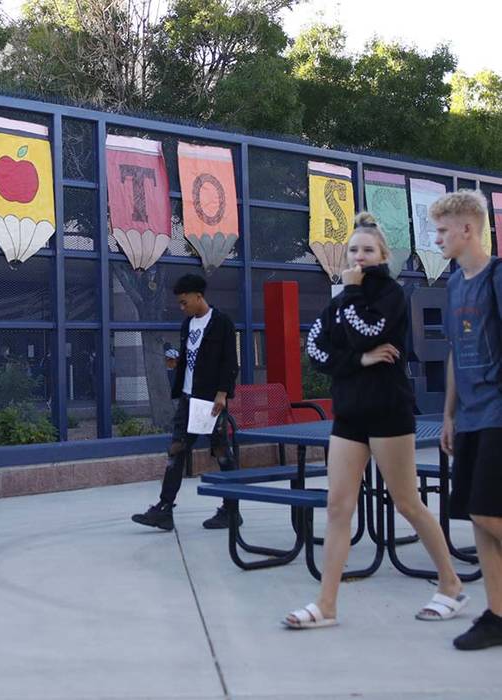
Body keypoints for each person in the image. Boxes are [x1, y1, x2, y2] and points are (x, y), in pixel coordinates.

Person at [283, 212, 465, 631]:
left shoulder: (390, 295)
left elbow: (371, 330)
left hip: (387, 411)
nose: (359, 257)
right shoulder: (342, 297)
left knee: (407, 503)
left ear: (382, 255)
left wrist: (351, 305)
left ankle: (451, 583)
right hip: (349, 413)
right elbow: (316, 349)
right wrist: (360, 360)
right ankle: (326, 605)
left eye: (367, 250)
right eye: (353, 250)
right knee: (337, 506)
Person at [433, 191, 502, 650]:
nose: (436, 239)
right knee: (479, 521)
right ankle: (496, 615)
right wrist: (449, 415)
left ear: (467, 230)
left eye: (442, 231)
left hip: (499, 413)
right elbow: (457, 352)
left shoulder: (497, 276)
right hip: (472, 415)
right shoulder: (455, 283)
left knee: (486, 509)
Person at [131, 273, 239, 531]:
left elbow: (229, 362)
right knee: (176, 450)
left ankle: (232, 510)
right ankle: (164, 509)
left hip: (211, 402)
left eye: (184, 302)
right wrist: (177, 364)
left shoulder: (221, 322)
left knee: (222, 453)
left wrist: (222, 394)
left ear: (198, 296)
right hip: (188, 399)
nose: (182, 307)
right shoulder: (187, 325)